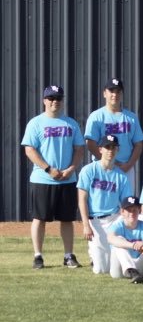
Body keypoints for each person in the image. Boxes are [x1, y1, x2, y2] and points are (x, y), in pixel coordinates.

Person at [23, 84, 86, 269]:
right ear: (44, 101)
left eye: (58, 98)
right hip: (43, 179)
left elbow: (79, 149)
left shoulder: (71, 123)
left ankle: (68, 256)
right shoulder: (36, 123)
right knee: (39, 218)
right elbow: (29, 150)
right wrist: (48, 169)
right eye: (51, 98)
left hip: (67, 178)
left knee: (67, 219)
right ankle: (38, 256)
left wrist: (71, 169)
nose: (54, 102)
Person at [77, 134, 133, 275]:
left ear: (117, 150)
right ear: (100, 149)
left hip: (114, 218)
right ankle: (94, 253)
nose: (111, 151)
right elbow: (82, 198)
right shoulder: (89, 170)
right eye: (107, 147)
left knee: (115, 265)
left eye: (114, 147)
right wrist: (85, 225)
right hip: (95, 221)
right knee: (101, 270)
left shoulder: (121, 175)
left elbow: (126, 203)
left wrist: (127, 224)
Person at [84, 78, 143, 192]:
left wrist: (129, 165)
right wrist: (108, 161)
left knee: (127, 204)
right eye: (111, 91)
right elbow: (90, 143)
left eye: (118, 91)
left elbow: (138, 144)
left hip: (126, 167)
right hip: (103, 167)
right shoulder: (96, 116)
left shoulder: (131, 117)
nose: (114, 94)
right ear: (104, 93)